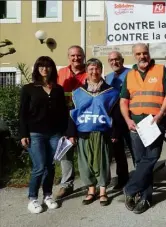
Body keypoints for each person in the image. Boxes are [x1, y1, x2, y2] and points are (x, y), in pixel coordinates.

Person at [121, 43, 166, 214]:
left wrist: (160, 114)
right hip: (135, 124)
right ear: (134, 56)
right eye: (138, 54)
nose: (142, 56)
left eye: (144, 53)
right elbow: (123, 100)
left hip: (154, 121)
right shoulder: (129, 75)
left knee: (151, 157)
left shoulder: (160, 69)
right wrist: (127, 119)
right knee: (141, 161)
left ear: (148, 53)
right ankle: (144, 197)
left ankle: (130, 188)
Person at [67, 58, 121, 207]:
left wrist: (115, 133)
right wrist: (71, 134)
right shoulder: (78, 93)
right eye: (91, 69)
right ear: (86, 71)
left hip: (102, 132)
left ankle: (103, 191)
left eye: (97, 68)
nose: (94, 72)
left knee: (102, 162)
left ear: (101, 70)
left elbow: (116, 115)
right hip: (83, 132)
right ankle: (91, 190)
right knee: (85, 164)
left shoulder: (111, 92)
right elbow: (73, 114)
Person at [19, 56, 68, 213]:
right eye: (41, 66)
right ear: (37, 68)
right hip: (35, 134)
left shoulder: (58, 89)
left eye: (47, 66)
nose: (44, 69)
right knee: (39, 167)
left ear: (52, 68)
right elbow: (22, 114)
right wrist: (23, 134)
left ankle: (47, 195)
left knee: (50, 166)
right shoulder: (28, 89)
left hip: (54, 134)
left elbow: (63, 113)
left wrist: (65, 133)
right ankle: (32, 199)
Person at [57, 45, 88, 198]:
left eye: (79, 55)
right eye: (73, 56)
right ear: (68, 57)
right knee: (66, 152)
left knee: (85, 151)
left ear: (83, 56)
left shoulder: (90, 72)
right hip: (64, 117)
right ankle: (67, 184)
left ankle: (90, 183)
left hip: (84, 117)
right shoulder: (61, 72)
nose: (76, 58)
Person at [105, 51, 133, 190]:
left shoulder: (131, 73)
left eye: (117, 59)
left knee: (135, 150)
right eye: (111, 60)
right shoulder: (107, 78)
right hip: (115, 121)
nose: (114, 62)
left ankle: (141, 178)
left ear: (122, 60)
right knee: (118, 152)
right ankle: (122, 179)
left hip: (130, 117)